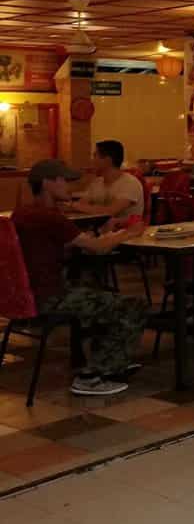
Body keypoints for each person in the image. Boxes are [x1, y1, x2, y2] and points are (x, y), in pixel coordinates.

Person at [10, 160, 146, 396]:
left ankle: (112, 359)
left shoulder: (21, 213)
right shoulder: (51, 217)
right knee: (132, 306)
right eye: (64, 181)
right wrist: (129, 233)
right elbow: (98, 248)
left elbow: (65, 244)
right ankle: (92, 375)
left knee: (103, 295)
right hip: (51, 296)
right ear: (47, 183)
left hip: (26, 295)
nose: (69, 187)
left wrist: (99, 235)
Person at [75, 140, 144, 222]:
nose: (92, 160)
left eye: (95, 156)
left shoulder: (130, 183)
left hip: (125, 229)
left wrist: (76, 206)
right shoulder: (97, 182)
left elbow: (110, 211)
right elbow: (80, 204)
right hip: (99, 228)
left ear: (107, 160)